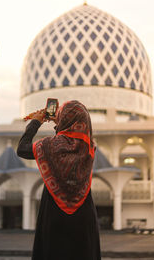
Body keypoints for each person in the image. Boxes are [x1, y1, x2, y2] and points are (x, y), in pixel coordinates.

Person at [17, 100, 101, 260]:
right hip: (84, 215)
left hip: (54, 214)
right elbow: (71, 138)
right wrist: (61, 122)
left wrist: (36, 121)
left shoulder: (50, 146)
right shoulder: (89, 146)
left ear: (64, 120)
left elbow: (22, 148)